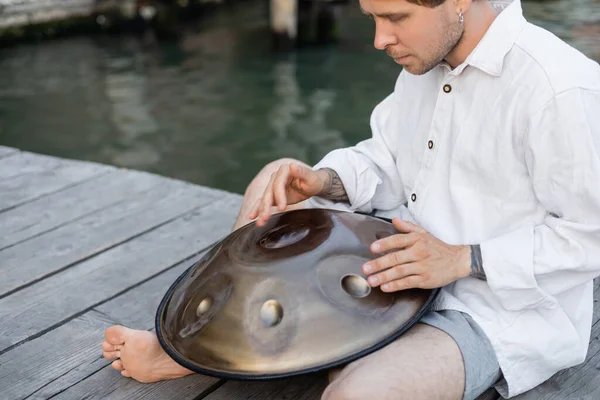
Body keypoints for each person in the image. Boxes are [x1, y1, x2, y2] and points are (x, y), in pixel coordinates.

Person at [101, 0, 600, 399]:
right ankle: (197, 347)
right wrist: (320, 182)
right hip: (395, 262)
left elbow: (590, 235)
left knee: (357, 394)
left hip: (493, 307)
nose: (381, 39)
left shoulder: (559, 88)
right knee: (274, 202)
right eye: (373, 18)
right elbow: (385, 162)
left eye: (395, 18)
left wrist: (461, 258)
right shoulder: (425, 65)